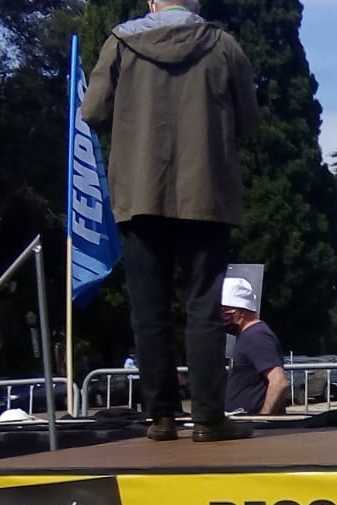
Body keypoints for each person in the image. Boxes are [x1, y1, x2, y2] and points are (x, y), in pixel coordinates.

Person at [81, 0, 259, 443]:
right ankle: (209, 418)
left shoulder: (120, 44)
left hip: (139, 192)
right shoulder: (224, 46)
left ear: (151, 3)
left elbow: (93, 112)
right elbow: (249, 122)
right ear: (197, 3)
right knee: (204, 307)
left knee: (149, 309)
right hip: (206, 194)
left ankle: (160, 417)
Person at [220, 276, 288, 416]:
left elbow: (279, 382)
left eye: (224, 311)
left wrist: (262, 418)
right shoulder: (248, 336)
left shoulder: (256, 336)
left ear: (241, 312)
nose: (221, 317)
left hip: (253, 424)